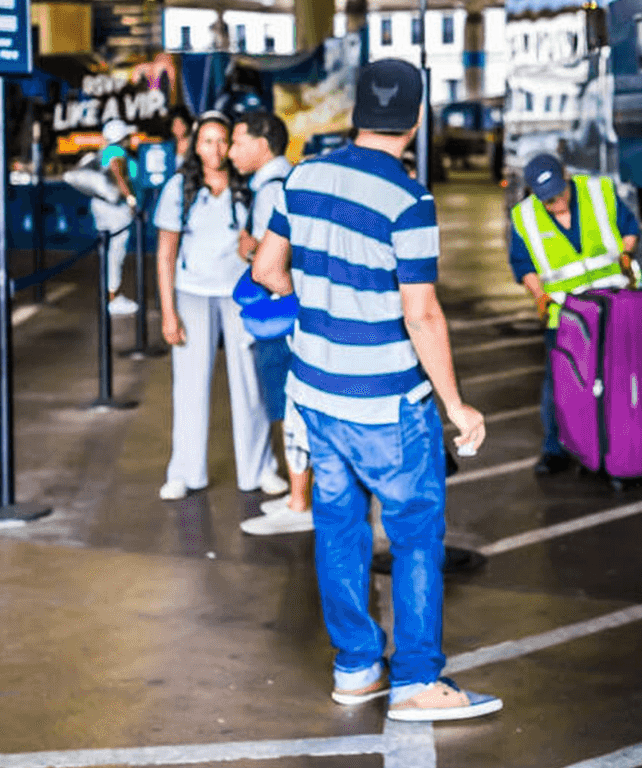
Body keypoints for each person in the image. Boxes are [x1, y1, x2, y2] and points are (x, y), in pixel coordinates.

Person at [251, 58, 500, 722]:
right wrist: (457, 406)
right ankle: (418, 680)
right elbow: (421, 314)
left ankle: (357, 667)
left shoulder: (303, 177)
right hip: (387, 404)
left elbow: (267, 268)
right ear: (416, 119)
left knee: (338, 528)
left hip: (316, 393)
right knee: (416, 535)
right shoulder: (408, 200)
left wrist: (325, 296)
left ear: (357, 112)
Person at [156, 111, 283, 501]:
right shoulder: (179, 187)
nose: (215, 148)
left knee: (250, 384)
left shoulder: (249, 185)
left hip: (239, 294)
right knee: (190, 385)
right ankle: (184, 471)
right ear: (195, 145)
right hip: (192, 294)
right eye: (207, 140)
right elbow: (165, 253)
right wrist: (167, 312)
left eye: (222, 140)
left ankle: (260, 470)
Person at [506, 152, 639, 474]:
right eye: (548, 201)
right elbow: (522, 263)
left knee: (618, 376)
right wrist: (539, 295)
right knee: (560, 382)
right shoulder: (524, 216)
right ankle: (555, 448)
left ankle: (618, 444)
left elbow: (630, 228)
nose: (557, 204)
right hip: (566, 313)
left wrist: (625, 255)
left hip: (613, 303)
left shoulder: (599, 192)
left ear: (566, 177)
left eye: (559, 194)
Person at [229, 110, 312, 536]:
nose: (230, 151)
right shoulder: (289, 181)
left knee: (291, 404)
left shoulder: (272, 190)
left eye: (237, 141)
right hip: (291, 311)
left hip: (284, 315)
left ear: (264, 143)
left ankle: (301, 502)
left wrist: (250, 251)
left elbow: (269, 261)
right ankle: (299, 495)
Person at [94, 119, 143, 316]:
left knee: (108, 252)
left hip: (102, 206)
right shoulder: (117, 153)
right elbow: (118, 173)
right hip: (114, 210)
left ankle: (109, 295)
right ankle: (112, 298)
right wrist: (131, 199)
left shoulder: (105, 151)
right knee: (116, 253)